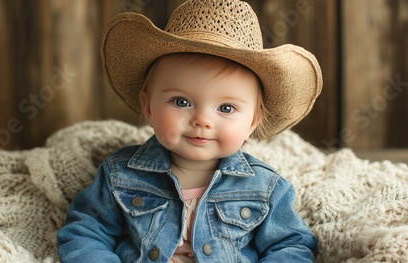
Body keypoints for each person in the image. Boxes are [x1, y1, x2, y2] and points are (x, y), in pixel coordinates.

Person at [58, 0, 322, 262]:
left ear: (252, 121)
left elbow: (291, 246)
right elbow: (86, 232)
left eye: (227, 108)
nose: (202, 120)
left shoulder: (265, 188)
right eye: (181, 102)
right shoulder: (120, 174)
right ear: (148, 106)